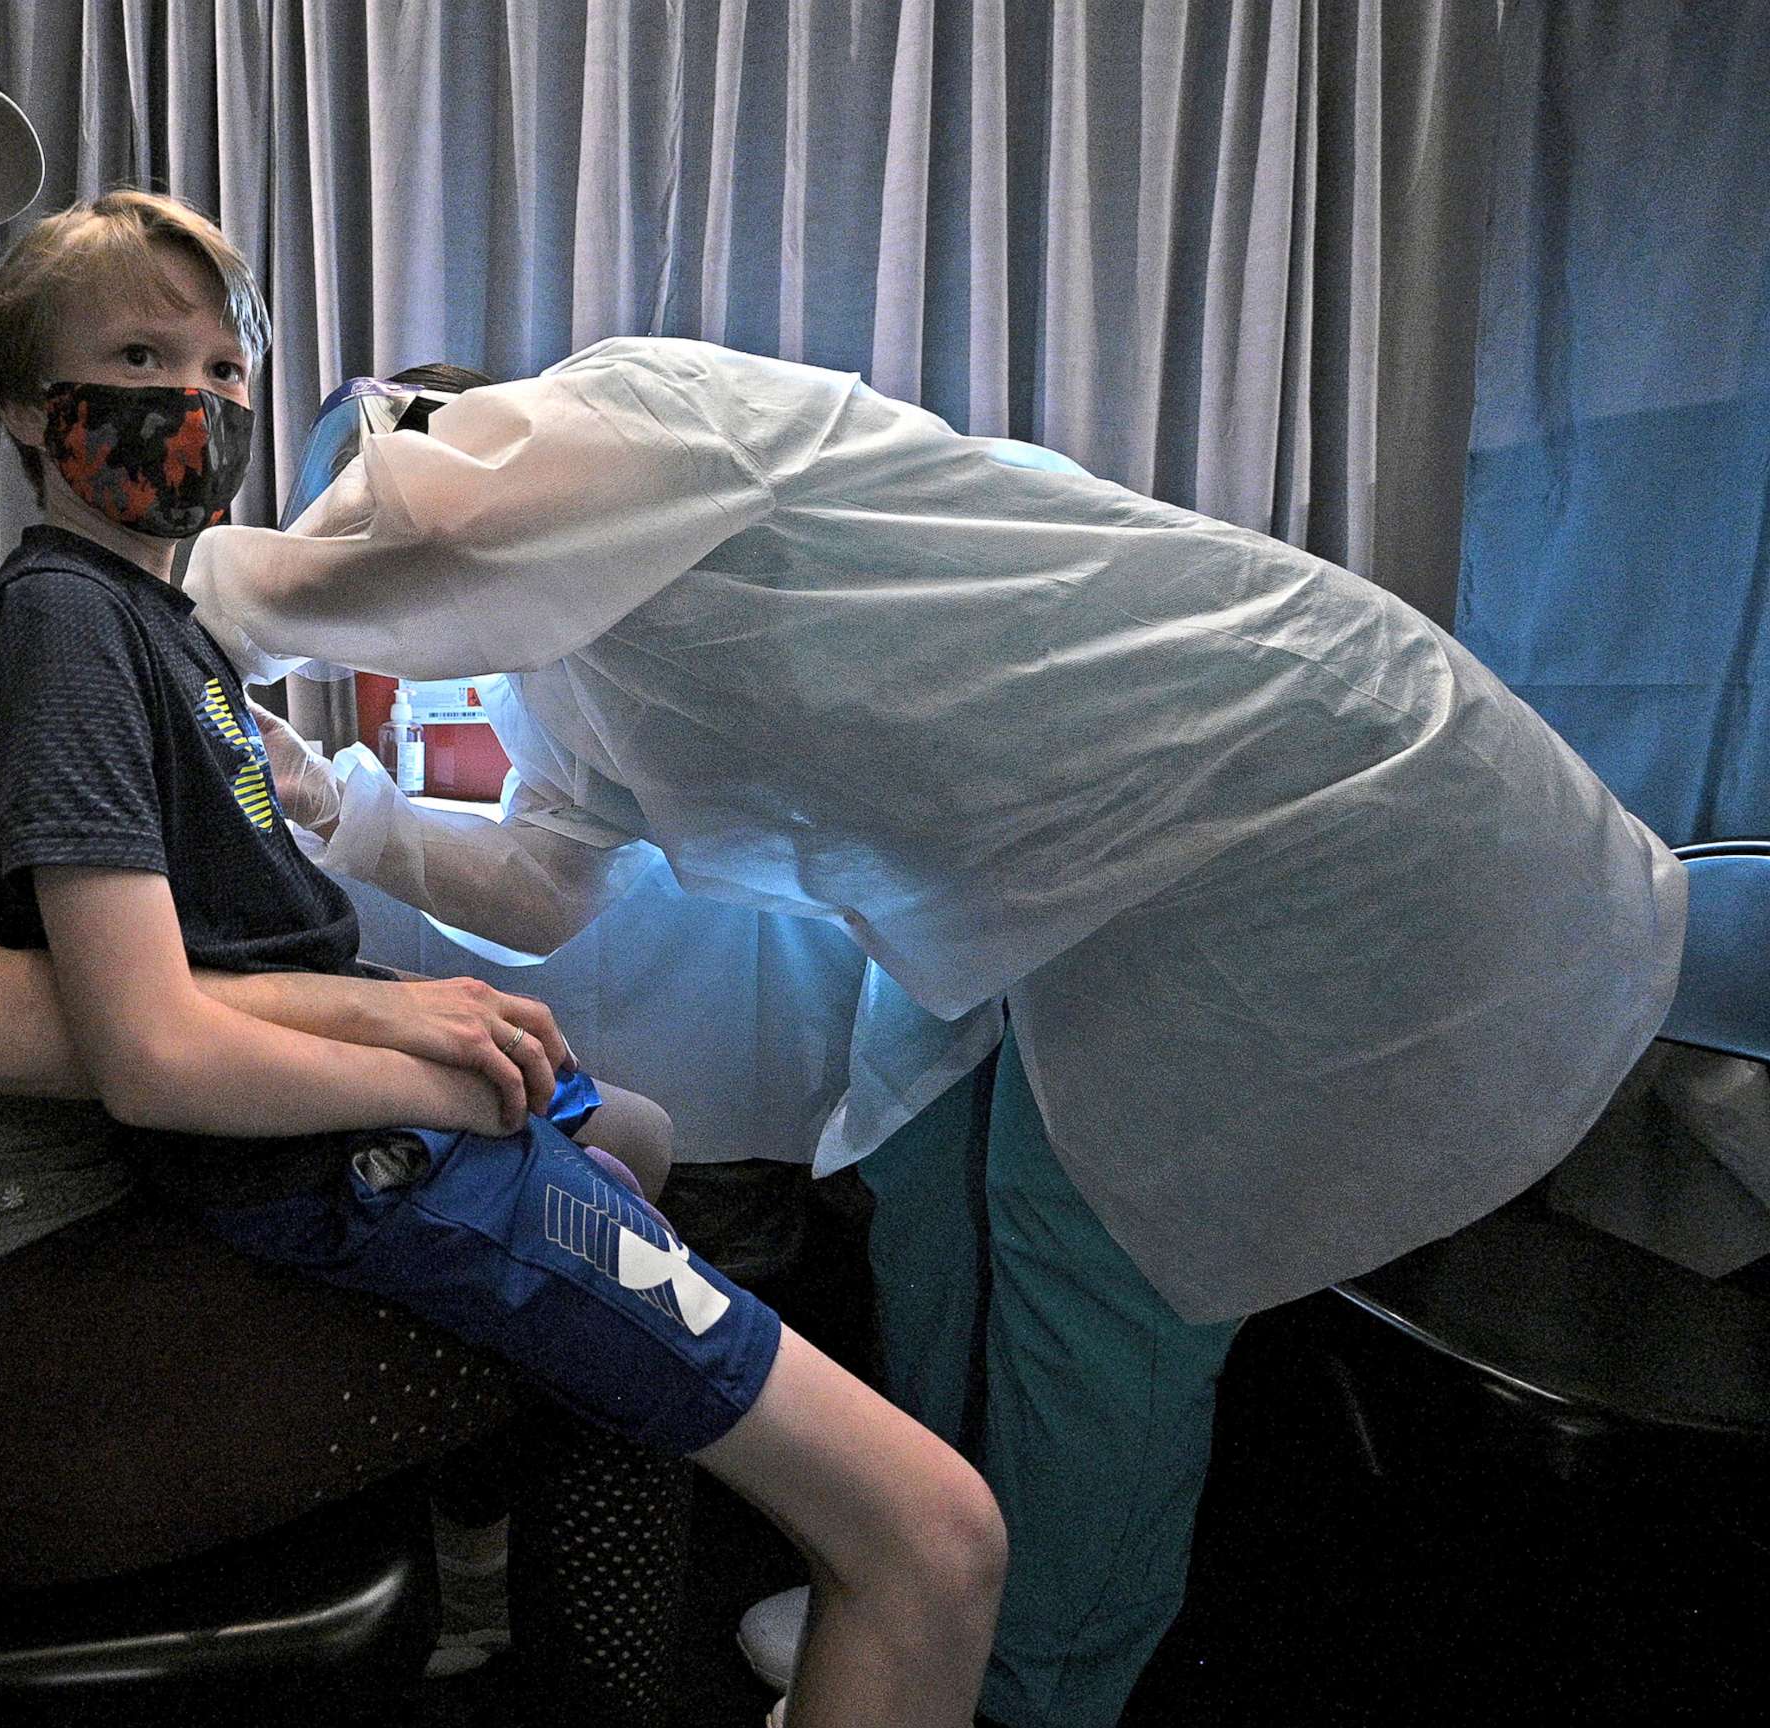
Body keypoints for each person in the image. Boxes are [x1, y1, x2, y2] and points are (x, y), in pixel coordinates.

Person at [184, 340, 1690, 1728]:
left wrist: (171, 618)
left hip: (1286, 793)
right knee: (917, 1165)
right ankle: (915, 1565)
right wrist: (350, 812)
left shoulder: (644, 419)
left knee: (1091, 1241)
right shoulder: (564, 688)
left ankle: (1037, 1680)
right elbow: (547, 886)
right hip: (1047, 869)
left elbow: (447, 504)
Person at [0, 79, 723, 1719]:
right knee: (621, 1277)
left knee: (602, 1154)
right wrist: (377, 1031)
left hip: (130, 1203)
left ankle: (490, 1630)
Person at [0, 190, 1006, 1728]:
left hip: (369, 1122)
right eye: (144, 356)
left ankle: (556, 1620)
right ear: (35, 410)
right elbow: (151, 1043)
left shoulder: (159, 633)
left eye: (227, 371)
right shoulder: (67, 630)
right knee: (936, 1533)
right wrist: (408, 1050)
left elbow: (299, 929)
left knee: (637, 1132)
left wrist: (409, 994)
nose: (200, 401)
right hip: (344, 1165)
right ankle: (604, 1599)